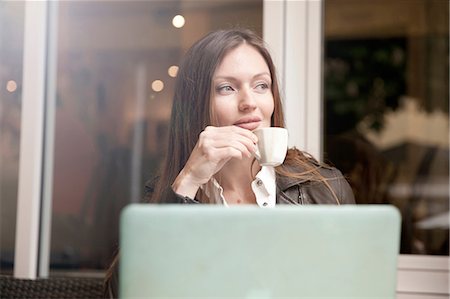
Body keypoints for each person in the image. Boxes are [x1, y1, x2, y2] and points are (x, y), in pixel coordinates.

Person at [103, 28, 355, 298]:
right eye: (227, 88)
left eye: (261, 85)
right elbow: (124, 292)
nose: (249, 103)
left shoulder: (324, 188)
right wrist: (188, 181)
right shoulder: (169, 195)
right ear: (196, 104)